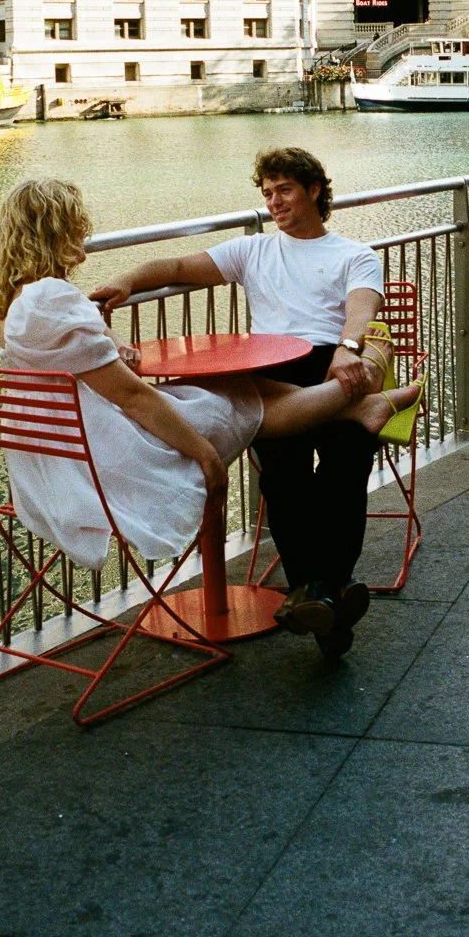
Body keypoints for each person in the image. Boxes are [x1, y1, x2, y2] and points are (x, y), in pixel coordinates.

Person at [0, 179, 417, 575]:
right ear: (55, 232)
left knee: (236, 392)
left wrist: (110, 336)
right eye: (75, 230)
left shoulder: (18, 300)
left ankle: (361, 409)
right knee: (239, 404)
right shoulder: (50, 297)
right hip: (110, 455)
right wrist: (205, 457)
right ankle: (364, 400)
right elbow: (134, 398)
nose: (82, 241)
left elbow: (84, 339)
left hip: (67, 448)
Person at [92, 146, 390, 660]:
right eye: (267, 193)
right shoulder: (253, 251)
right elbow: (180, 265)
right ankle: (325, 597)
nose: (274, 202)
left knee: (347, 459)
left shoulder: (353, 254)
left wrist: (348, 348)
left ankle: (313, 594)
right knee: (281, 472)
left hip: (326, 363)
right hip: (270, 369)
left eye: (285, 190)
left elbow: (363, 308)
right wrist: (127, 279)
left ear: (315, 190)